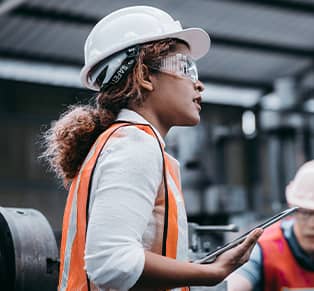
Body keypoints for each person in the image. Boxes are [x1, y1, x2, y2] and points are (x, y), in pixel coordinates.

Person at [42, 5, 263, 291]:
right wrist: (212, 274)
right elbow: (111, 263)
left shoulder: (120, 142)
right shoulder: (135, 145)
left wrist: (196, 269)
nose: (199, 85)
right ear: (145, 76)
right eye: (185, 67)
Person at [227, 160, 314, 291]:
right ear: (292, 208)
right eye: (306, 213)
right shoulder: (265, 248)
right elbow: (236, 283)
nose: (312, 224)